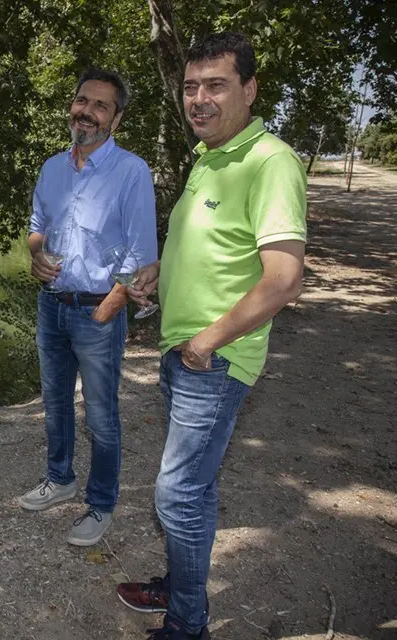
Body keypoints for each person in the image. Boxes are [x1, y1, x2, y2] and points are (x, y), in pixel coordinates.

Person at [118, 32, 307, 640]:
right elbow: (210, 249)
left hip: (215, 360)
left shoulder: (270, 161)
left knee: (177, 495)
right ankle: (177, 588)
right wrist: (158, 273)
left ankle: (188, 624)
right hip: (186, 353)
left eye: (216, 85)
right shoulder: (207, 157)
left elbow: (283, 280)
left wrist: (206, 342)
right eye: (191, 86)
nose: (198, 99)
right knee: (190, 492)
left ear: (249, 90)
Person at [20, 68, 157, 548]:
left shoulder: (132, 172)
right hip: (51, 306)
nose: (88, 111)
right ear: (71, 106)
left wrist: (109, 307)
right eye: (82, 100)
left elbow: (143, 255)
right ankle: (60, 480)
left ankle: (100, 505)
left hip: (98, 310)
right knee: (54, 404)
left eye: (101, 105)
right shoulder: (51, 168)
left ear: (116, 119)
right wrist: (36, 255)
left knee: (101, 415)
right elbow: (37, 226)